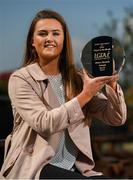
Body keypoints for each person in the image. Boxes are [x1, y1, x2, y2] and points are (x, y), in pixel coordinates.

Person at [0, 9, 127, 179]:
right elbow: (44, 123)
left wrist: (111, 84)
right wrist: (85, 95)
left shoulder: (78, 79)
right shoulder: (21, 79)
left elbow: (116, 118)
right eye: (42, 34)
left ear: (64, 40)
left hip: (76, 168)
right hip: (35, 168)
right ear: (32, 41)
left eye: (56, 34)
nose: (49, 39)